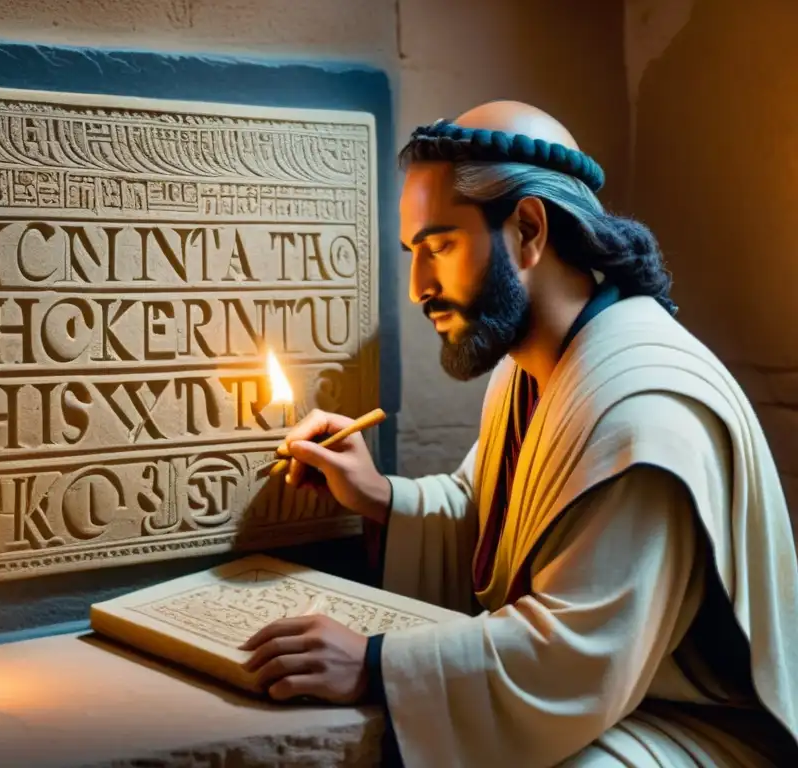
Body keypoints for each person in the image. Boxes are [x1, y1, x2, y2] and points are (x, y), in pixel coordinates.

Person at [239, 100, 798, 766]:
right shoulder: (529, 370)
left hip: (689, 722)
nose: (420, 287)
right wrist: (378, 496)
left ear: (527, 230)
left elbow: (577, 651)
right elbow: (491, 527)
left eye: (440, 246)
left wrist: (376, 664)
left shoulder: (646, 410)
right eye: (414, 253)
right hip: (614, 698)